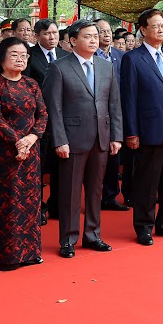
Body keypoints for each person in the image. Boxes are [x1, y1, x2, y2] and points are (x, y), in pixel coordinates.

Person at [43, 20, 123, 258]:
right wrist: (59, 139)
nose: (93, 40)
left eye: (95, 36)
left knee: (95, 190)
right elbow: (53, 108)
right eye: (87, 36)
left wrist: (116, 135)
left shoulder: (105, 67)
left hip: (101, 136)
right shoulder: (59, 68)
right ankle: (68, 239)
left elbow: (114, 104)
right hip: (72, 139)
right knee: (69, 192)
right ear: (73, 40)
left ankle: (92, 235)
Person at [120, 8, 163, 246]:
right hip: (148, 129)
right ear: (143, 29)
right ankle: (144, 226)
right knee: (147, 182)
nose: (162, 29)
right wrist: (131, 132)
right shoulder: (132, 58)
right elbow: (129, 98)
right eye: (156, 26)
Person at [0, 37, 48, 270]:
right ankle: (7, 256)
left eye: (24, 55)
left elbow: (42, 115)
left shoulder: (31, 84)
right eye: (14, 55)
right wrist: (17, 141)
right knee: (7, 202)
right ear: (1, 59)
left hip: (31, 151)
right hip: (4, 153)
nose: (20, 59)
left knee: (30, 202)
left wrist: (31, 138)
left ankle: (30, 252)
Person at [26, 18, 70, 224]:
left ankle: (58, 205)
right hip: (38, 121)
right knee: (39, 168)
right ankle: (37, 207)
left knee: (61, 166)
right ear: (37, 36)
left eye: (55, 33)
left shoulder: (65, 56)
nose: (52, 37)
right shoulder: (29, 57)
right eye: (47, 34)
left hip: (63, 120)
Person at [94, 19, 129, 212]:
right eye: (101, 31)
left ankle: (110, 196)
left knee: (114, 156)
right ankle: (94, 196)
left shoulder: (121, 56)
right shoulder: (90, 56)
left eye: (108, 31)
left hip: (116, 112)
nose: (106, 34)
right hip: (95, 112)